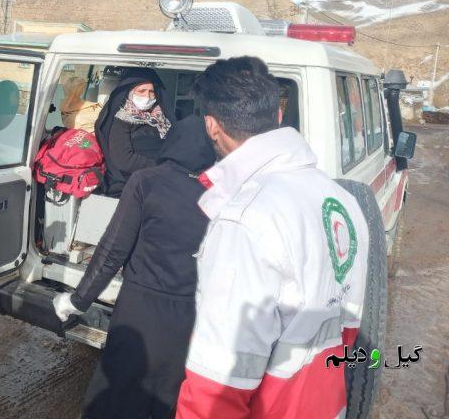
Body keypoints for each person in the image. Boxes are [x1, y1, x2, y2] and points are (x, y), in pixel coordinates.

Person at [176, 57, 369, 418]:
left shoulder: (246, 217)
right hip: (325, 400)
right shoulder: (340, 199)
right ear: (278, 118)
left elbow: (218, 381)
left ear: (212, 125)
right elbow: (349, 326)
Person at [54, 114, 215, 418]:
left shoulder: (147, 181)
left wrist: (78, 300)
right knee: (165, 398)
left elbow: (113, 249)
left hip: (139, 312)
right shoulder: (216, 196)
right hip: (187, 316)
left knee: (115, 396)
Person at [94, 68, 174, 196]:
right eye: (141, 91)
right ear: (130, 92)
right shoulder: (121, 119)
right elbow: (123, 160)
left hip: (160, 180)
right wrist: (160, 166)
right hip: (130, 185)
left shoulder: (160, 117)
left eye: (151, 92)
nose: (147, 96)